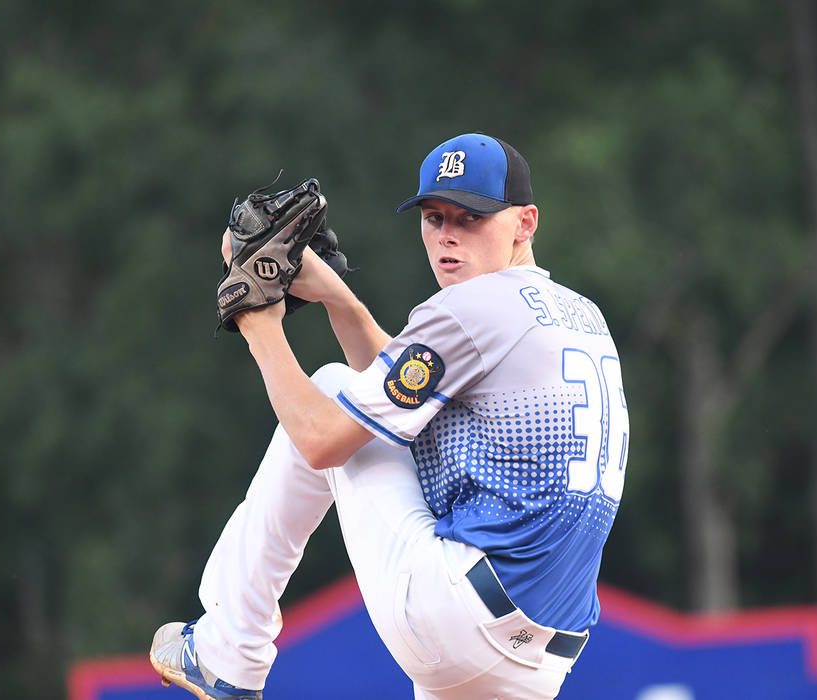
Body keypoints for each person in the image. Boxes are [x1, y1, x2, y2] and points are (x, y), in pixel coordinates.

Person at [149, 133, 630, 700]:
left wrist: (256, 318)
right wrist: (339, 300)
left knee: (330, 389)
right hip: (544, 656)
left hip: (461, 620)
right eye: (433, 217)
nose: (448, 236)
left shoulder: (470, 307)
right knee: (357, 403)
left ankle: (228, 654)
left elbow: (323, 441)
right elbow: (403, 391)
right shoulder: (580, 314)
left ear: (525, 223)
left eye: (470, 218)